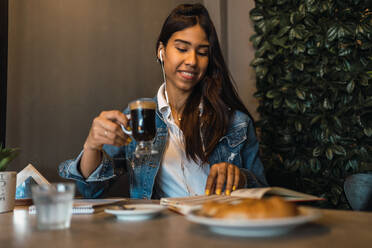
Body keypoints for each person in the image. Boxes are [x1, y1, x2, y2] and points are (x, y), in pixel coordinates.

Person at [59, 3, 268, 199]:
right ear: (161, 51)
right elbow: (91, 190)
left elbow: (263, 193)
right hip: (161, 233)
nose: (192, 61)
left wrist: (240, 177)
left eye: (202, 52)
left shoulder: (236, 123)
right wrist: (92, 147)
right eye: (182, 48)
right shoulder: (140, 116)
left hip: (218, 228)